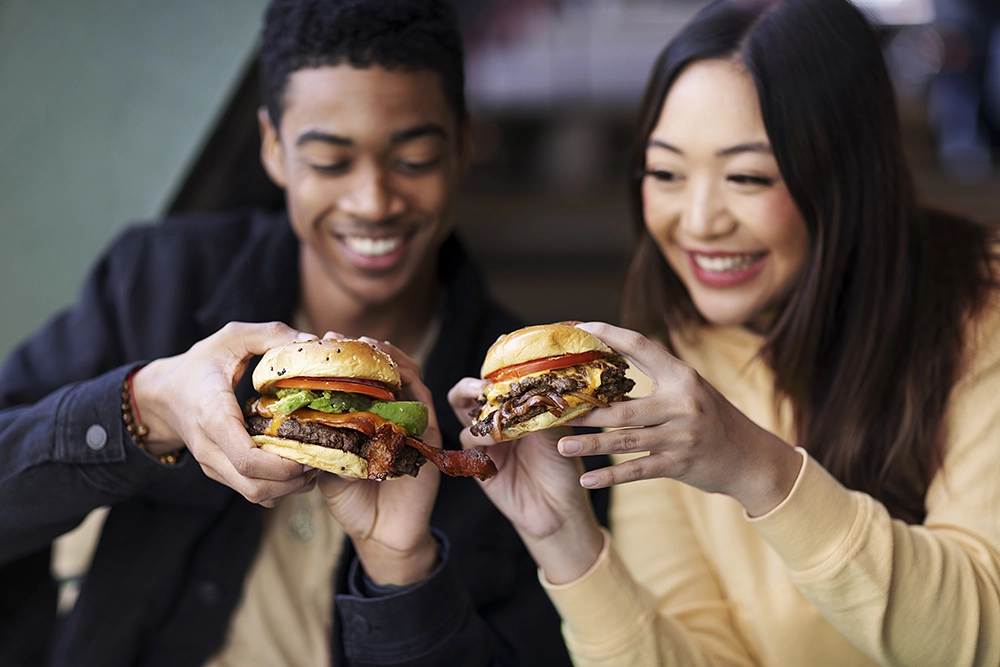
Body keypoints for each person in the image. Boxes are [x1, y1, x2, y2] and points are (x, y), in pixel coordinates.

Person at [0, 1, 592, 665]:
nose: (372, 200)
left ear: (463, 145)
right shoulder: (158, 281)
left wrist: (404, 568)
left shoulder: (523, 408)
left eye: (415, 158)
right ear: (273, 148)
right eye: (330, 162)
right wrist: (147, 405)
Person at [449, 0, 1000, 665]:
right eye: (667, 172)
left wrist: (753, 466)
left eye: (747, 176)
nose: (700, 221)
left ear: (848, 175)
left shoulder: (981, 315)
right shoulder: (667, 361)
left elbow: (981, 638)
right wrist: (564, 538)